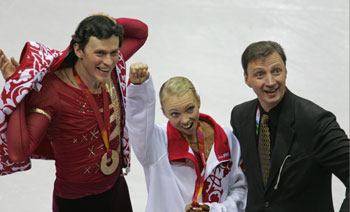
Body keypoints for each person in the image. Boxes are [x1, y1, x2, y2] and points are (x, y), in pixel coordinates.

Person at [0, 14, 148, 211]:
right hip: (75, 203)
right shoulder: (52, 93)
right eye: (100, 53)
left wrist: (107, 22)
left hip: (116, 191)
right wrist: (17, 89)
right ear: (78, 49)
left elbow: (140, 33)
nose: (109, 61)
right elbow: (19, 153)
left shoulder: (111, 69)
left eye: (113, 52)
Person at [230, 40, 349, 212]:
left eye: (276, 71)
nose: (270, 82)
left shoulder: (315, 121)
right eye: (260, 74)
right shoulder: (241, 116)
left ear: (286, 72)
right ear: (247, 79)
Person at [126, 63, 247, 212]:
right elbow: (138, 121)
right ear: (164, 113)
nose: (185, 120)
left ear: (199, 101)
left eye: (190, 109)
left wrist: (215, 210)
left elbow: (239, 189)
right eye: (175, 114)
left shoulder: (225, 138)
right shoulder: (155, 143)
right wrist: (139, 89)